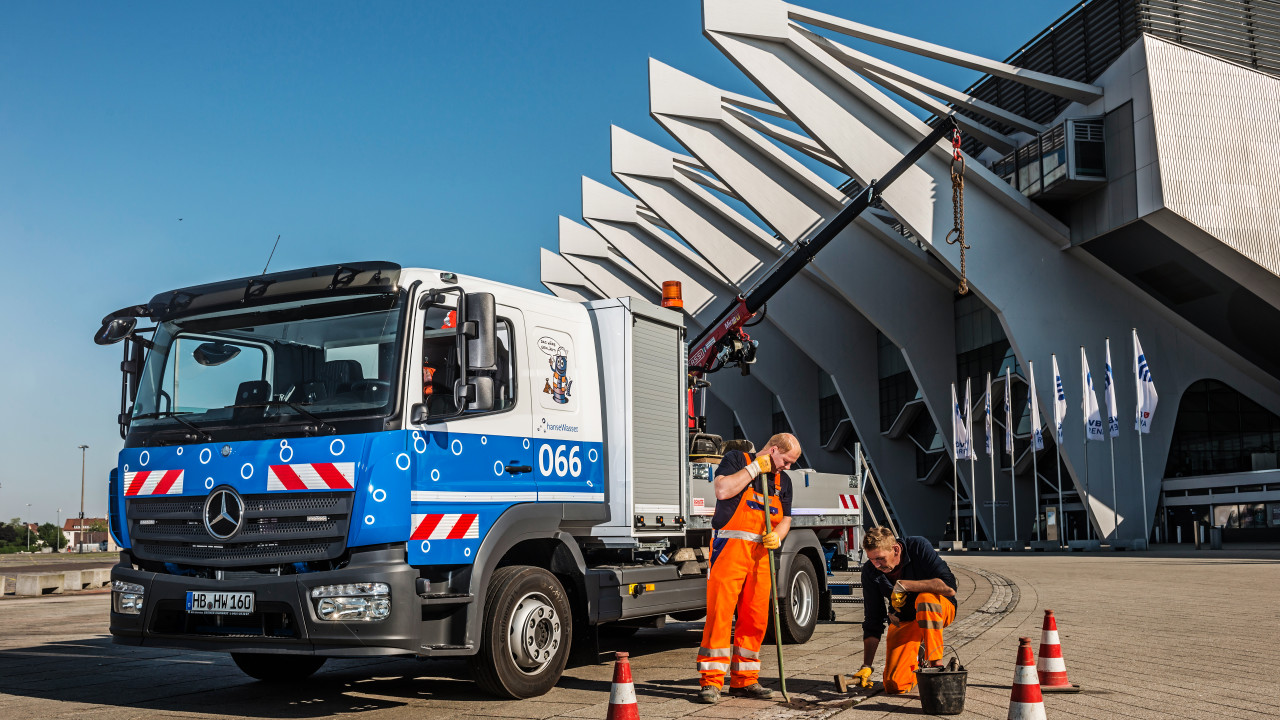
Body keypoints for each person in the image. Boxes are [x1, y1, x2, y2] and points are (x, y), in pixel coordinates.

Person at [695, 432, 801, 704]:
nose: (787, 467)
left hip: (761, 554)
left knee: (755, 618)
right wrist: (756, 467)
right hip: (730, 550)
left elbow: (786, 518)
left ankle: (745, 680)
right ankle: (711, 683)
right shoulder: (735, 459)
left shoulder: (783, 481)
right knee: (720, 614)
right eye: (786, 461)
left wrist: (778, 535)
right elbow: (722, 490)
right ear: (774, 450)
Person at [851, 527, 958, 694]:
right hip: (906, 619)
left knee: (925, 599)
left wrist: (905, 585)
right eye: (872, 559)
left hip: (938, 609)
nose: (876, 565)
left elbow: (950, 588)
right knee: (894, 686)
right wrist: (867, 666)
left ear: (895, 549)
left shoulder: (918, 547)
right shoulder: (870, 571)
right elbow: (873, 619)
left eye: (880, 558)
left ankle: (936, 666)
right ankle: (918, 662)